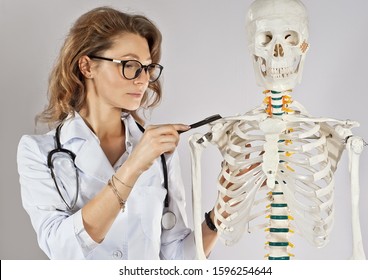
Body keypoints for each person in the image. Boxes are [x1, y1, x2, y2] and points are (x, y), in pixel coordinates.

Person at [17, 6, 218, 260]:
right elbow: (62, 249)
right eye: (130, 65)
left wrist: (221, 214)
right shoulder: (38, 152)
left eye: (147, 67)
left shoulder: (159, 153)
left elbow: (177, 259)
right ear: (87, 66)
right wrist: (133, 166)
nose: (143, 79)